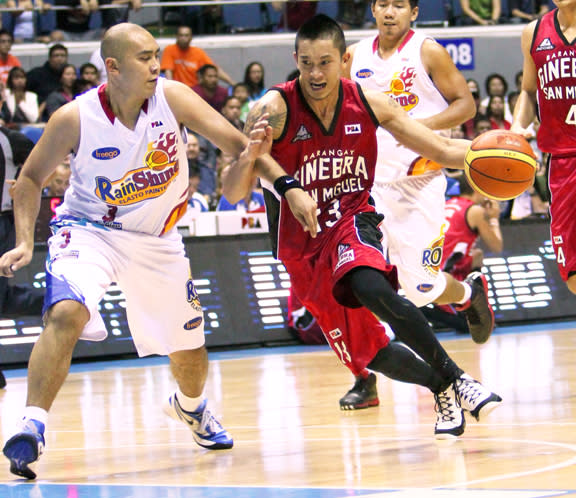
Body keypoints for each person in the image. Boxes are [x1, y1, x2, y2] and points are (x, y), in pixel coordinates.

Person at [0, 22, 317, 480]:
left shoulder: (172, 98)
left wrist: (286, 186)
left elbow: (237, 145)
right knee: (67, 313)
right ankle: (31, 424)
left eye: (156, 55)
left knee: (190, 353)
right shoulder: (74, 117)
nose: (156, 65)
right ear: (113, 67)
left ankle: (190, 408)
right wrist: (27, 241)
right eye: (145, 57)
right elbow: (29, 179)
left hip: (158, 239)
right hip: (90, 230)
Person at [224, 14, 501, 440]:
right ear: (295, 59)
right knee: (369, 351)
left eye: (326, 62)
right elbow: (236, 187)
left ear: (343, 60)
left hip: (353, 218)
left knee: (373, 286)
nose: (316, 73)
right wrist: (275, 176)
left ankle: (458, 377)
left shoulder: (369, 101)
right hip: (302, 247)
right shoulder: (273, 108)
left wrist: (494, 155)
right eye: (307, 63)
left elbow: (442, 147)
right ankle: (442, 386)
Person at [339, 0, 494, 409]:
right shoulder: (353, 55)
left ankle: (466, 292)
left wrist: (412, 126)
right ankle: (364, 380)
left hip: (418, 178)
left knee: (420, 289)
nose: (390, 11)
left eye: (399, 5)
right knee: (356, 285)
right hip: (366, 185)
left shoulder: (427, 50)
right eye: (383, 4)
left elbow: (466, 105)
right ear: (372, 10)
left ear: (413, 11)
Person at [511, 1, 576, 294]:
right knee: (572, 273)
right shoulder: (534, 31)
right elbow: (528, 90)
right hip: (561, 162)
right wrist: (516, 129)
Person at [422, 174, 503, 331]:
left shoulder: (448, 203)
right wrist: (494, 219)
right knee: (468, 327)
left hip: (427, 264)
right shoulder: (475, 211)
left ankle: (473, 308)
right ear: (476, 189)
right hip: (439, 275)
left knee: (477, 255)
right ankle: (429, 310)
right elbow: (496, 246)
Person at [160, 26, 235, 89]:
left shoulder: (198, 52)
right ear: (176, 36)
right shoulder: (169, 49)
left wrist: (232, 83)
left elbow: (214, 69)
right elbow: (168, 71)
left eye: (186, 35)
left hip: (194, 89)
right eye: (181, 35)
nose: (183, 38)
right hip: (178, 88)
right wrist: (170, 89)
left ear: (191, 37)